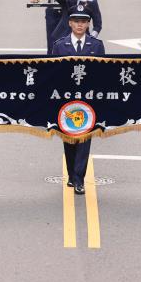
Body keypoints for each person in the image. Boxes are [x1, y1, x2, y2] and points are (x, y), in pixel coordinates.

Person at [50, 11, 104, 195]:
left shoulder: (96, 46)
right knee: (69, 138)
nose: (80, 25)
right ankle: (72, 176)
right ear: (70, 24)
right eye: (76, 21)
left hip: (87, 98)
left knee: (84, 137)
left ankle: (79, 178)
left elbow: (103, 72)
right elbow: (52, 73)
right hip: (66, 99)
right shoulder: (60, 46)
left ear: (88, 25)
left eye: (84, 22)